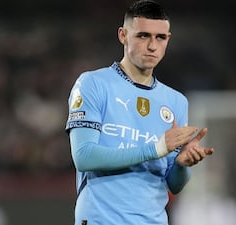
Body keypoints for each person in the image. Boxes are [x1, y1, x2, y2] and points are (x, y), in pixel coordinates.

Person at [65, 1, 214, 225]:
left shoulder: (176, 102)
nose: (152, 46)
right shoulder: (93, 84)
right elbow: (84, 156)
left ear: (168, 40)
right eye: (143, 36)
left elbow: (174, 183)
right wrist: (156, 148)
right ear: (123, 35)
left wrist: (182, 165)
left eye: (160, 38)